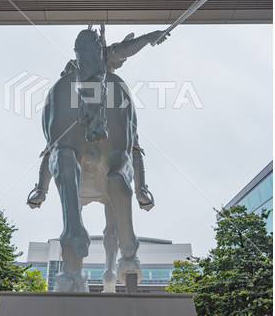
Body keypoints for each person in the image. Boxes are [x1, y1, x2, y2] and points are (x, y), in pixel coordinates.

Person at [27, 27, 169, 211]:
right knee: (133, 144)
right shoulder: (106, 55)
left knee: (52, 147)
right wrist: (149, 37)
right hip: (102, 99)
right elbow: (126, 50)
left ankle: (40, 190)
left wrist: (149, 38)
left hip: (82, 101)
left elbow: (126, 50)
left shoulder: (76, 62)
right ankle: (141, 190)